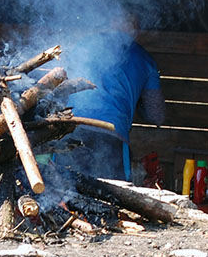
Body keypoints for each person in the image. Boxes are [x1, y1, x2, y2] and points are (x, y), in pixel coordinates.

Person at [60, 17, 165, 181]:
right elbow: (156, 115)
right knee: (112, 193)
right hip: (111, 134)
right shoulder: (145, 59)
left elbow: (62, 86)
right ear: (136, 31)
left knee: (61, 188)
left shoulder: (83, 45)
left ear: (111, 21)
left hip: (71, 128)